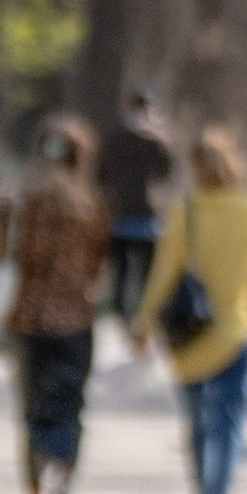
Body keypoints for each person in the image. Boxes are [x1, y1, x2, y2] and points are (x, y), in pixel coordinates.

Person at [135, 126, 247, 494]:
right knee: (227, 422)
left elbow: (164, 272)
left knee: (196, 424)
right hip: (235, 331)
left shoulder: (185, 210)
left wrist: (143, 322)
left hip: (190, 338)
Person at [1, 117, 111, 494]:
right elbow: (100, 263)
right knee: (70, 404)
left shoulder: (21, 202)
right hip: (75, 319)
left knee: (31, 408)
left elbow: (1, 258)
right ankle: (63, 470)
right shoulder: (91, 206)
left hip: (28, 317)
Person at [99, 92, 175, 329]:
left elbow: (100, 174)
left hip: (126, 211)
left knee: (128, 271)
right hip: (137, 212)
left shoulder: (114, 135)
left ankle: (128, 316)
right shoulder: (141, 137)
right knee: (140, 272)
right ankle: (136, 316)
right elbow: (166, 172)